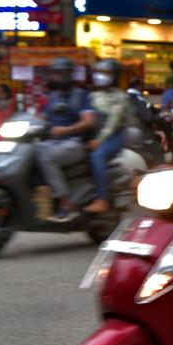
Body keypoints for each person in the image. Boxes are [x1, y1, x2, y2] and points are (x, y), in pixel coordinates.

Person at [36, 57, 96, 222]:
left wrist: (67, 130)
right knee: (30, 152)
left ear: (68, 74)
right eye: (53, 73)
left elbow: (89, 121)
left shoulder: (81, 95)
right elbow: (41, 117)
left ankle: (65, 203)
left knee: (46, 157)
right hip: (52, 142)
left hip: (74, 142)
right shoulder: (52, 96)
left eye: (58, 73)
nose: (54, 77)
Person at [84, 59, 129, 214]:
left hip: (113, 137)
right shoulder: (91, 95)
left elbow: (113, 122)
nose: (100, 76)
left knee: (97, 157)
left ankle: (102, 199)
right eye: (98, 72)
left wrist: (99, 140)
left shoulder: (120, 97)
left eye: (106, 73)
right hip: (93, 137)